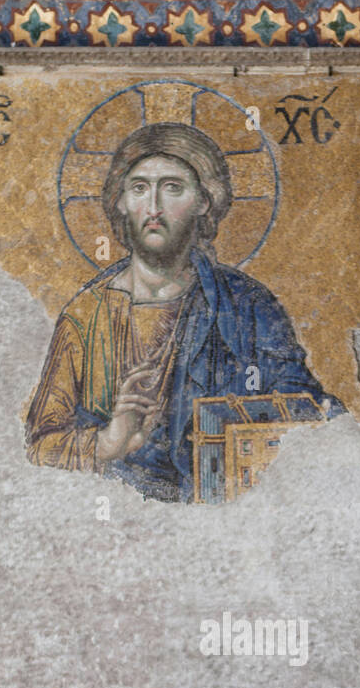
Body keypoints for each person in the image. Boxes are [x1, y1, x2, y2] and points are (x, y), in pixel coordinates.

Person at [25, 122, 341, 502]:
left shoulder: (248, 306)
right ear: (121, 201)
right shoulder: (86, 316)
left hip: (223, 519)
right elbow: (38, 447)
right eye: (140, 188)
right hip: (113, 518)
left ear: (204, 201)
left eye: (172, 188)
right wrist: (111, 442)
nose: (154, 207)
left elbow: (311, 419)